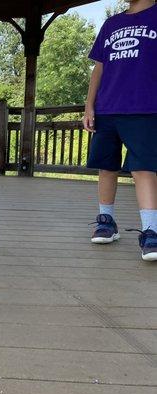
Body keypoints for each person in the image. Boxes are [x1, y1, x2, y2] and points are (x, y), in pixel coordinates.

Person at [83, 0, 157, 261]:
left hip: (145, 107)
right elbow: (99, 67)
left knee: (143, 168)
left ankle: (151, 231)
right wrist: (89, 105)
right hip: (107, 107)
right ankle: (106, 221)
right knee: (106, 166)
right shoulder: (112, 23)